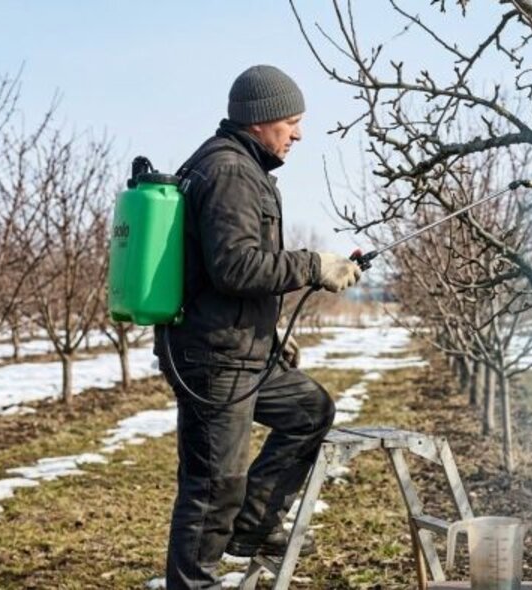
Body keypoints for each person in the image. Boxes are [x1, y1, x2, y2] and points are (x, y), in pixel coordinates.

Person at [153, 64, 362, 589]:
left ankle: (253, 526)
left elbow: (228, 273)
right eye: (291, 122)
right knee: (213, 487)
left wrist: (269, 337)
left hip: (240, 350)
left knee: (309, 411)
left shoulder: (240, 168)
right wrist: (313, 265)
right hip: (215, 359)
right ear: (258, 120)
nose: (298, 134)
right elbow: (235, 267)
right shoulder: (229, 172)